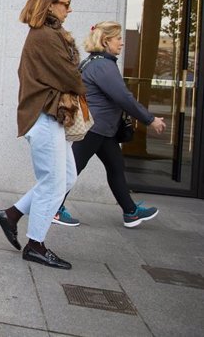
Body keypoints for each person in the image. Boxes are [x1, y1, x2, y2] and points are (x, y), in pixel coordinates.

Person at [0, 0, 84, 269]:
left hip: (49, 116)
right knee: (54, 183)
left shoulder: (50, 34)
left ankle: (12, 215)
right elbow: (72, 78)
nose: (70, 8)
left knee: (66, 178)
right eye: (65, 3)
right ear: (50, 4)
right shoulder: (45, 35)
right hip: (43, 116)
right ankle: (35, 245)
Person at [51, 21, 167, 228]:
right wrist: (150, 119)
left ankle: (130, 211)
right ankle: (54, 209)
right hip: (94, 128)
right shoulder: (103, 65)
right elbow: (123, 97)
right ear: (106, 41)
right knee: (72, 169)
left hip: (101, 129)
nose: (122, 43)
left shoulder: (94, 62)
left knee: (115, 166)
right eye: (119, 39)